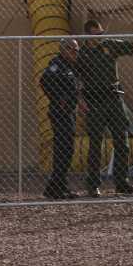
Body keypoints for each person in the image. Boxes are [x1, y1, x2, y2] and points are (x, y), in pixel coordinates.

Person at [78, 18, 133, 196]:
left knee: (122, 142)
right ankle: (93, 185)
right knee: (95, 143)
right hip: (94, 101)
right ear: (88, 35)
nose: (101, 37)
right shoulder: (82, 54)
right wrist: (80, 100)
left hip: (113, 99)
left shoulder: (110, 45)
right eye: (97, 34)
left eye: (102, 33)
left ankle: (122, 182)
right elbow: (76, 78)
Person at [40, 38, 81, 200]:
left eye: (77, 50)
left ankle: (55, 186)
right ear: (65, 49)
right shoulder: (57, 64)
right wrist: (59, 99)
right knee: (63, 149)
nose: (76, 53)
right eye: (74, 50)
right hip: (60, 112)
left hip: (68, 112)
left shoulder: (70, 66)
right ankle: (57, 187)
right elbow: (44, 81)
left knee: (67, 149)